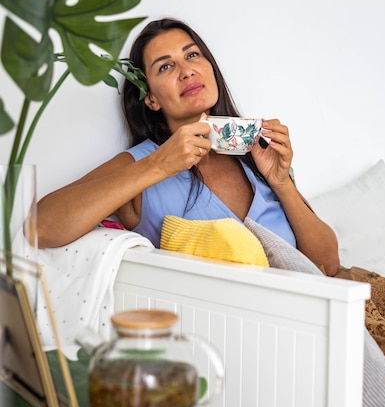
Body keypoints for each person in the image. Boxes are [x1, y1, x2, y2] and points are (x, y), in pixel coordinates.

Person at [38, 17, 340, 276]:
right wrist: (158, 165)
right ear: (151, 99)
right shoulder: (142, 163)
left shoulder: (255, 153)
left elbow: (327, 265)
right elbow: (42, 226)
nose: (186, 71)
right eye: (165, 66)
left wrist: (281, 183)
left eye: (193, 55)